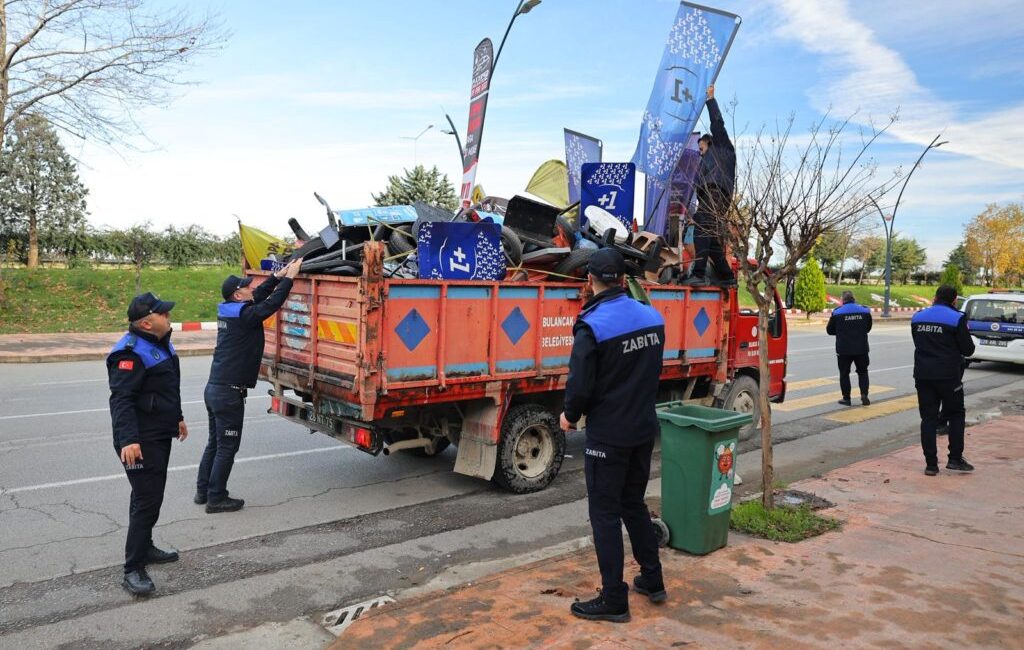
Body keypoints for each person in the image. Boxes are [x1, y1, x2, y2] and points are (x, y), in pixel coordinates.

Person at [560, 248, 666, 623]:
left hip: (609, 436)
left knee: (604, 515)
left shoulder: (592, 326)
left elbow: (580, 384)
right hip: (642, 429)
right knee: (633, 504)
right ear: (622, 279)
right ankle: (653, 579)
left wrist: (569, 415)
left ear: (590, 280)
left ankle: (614, 599)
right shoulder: (652, 317)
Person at [196, 258, 302, 513]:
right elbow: (270, 305)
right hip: (228, 394)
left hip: (215, 390)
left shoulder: (230, 310)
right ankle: (216, 498)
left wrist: (277, 276)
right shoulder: (245, 316)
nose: (250, 288)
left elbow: (260, 295)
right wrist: (290, 279)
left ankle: (203, 491)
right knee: (227, 447)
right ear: (237, 295)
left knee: (215, 443)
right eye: (246, 287)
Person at [107, 292, 188, 595]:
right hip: (139, 440)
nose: (168, 316)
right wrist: (129, 439)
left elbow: (166, 388)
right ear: (145, 323)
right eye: (162, 313)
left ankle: (147, 546)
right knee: (146, 500)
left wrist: (177, 418)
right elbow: (122, 400)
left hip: (158, 433)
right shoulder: (129, 353)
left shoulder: (159, 343)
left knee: (151, 496)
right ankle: (133, 569)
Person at [911, 285, 976, 476]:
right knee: (956, 414)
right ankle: (955, 459)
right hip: (949, 376)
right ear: (954, 300)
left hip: (923, 375)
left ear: (935, 297)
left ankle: (931, 465)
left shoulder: (918, 317)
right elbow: (968, 350)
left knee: (928, 419)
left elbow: (918, 342)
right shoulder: (957, 318)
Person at [685, 84, 736, 288]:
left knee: (701, 227)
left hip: (716, 194)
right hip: (714, 198)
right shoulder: (706, 162)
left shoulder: (723, 147)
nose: (700, 152)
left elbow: (717, 123)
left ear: (709, 142)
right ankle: (726, 276)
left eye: (701, 148)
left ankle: (699, 274)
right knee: (712, 240)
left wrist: (710, 100)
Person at [826, 291, 873, 406]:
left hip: (844, 349)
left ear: (842, 300)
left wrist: (841, 331)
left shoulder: (837, 312)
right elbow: (868, 328)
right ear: (854, 299)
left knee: (844, 373)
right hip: (861, 348)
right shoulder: (864, 311)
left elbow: (830, 330)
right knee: (863, 372)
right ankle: (864, 395)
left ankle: (846, 398)